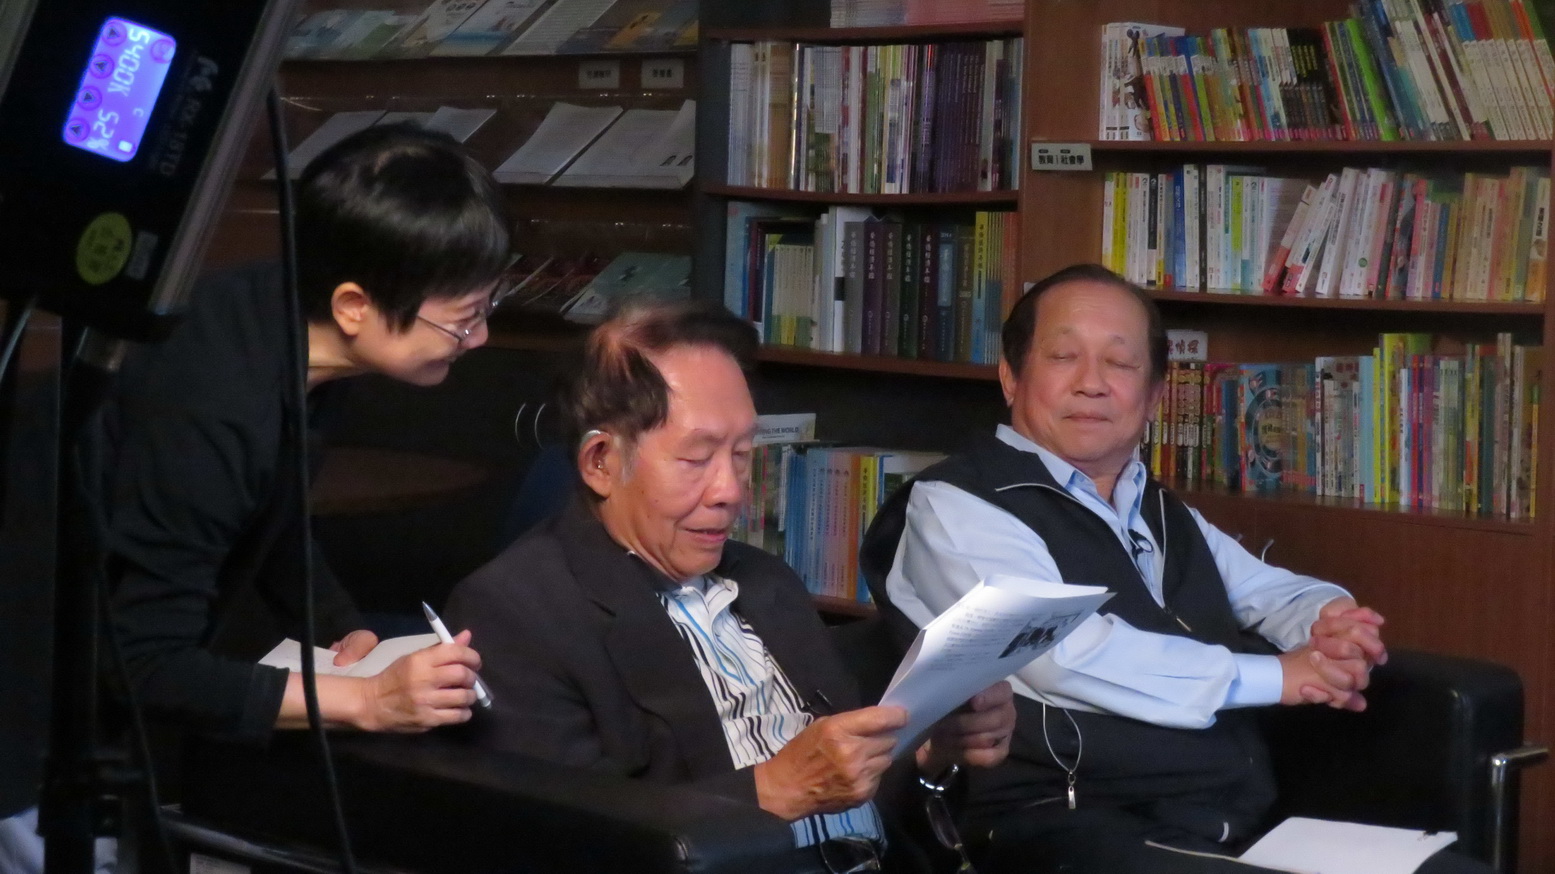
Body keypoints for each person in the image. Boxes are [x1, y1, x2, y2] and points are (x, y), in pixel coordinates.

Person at [861, 264, 1490, 873]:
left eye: (1120, 362)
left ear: (1155, 395)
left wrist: (1332, 623)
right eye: (1063, 356)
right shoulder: (957, 505)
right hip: (1065, 825)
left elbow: (1265, 589)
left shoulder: (1154, 508)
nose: (1091, 382)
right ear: (1010, 376)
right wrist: (1280, 676)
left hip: (1220, 822)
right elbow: (1063, 657)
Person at [443, 299, 1017, 872]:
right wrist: (772, 790)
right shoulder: (516, 611)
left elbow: (867, 806)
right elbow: (567, 840)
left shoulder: (766, 581)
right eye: (697, 459)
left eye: (742, 455)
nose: (731, 491)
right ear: (601, 462)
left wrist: (932, 754)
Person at [105, 123, 505, 745]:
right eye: (464, 320)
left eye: (487, 308)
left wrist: (336, 626)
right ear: (353, 307)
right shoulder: (212, 408)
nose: (479, 339)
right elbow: (140, 666)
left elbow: (275, 510)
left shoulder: (297, 323)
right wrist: (368, 700)